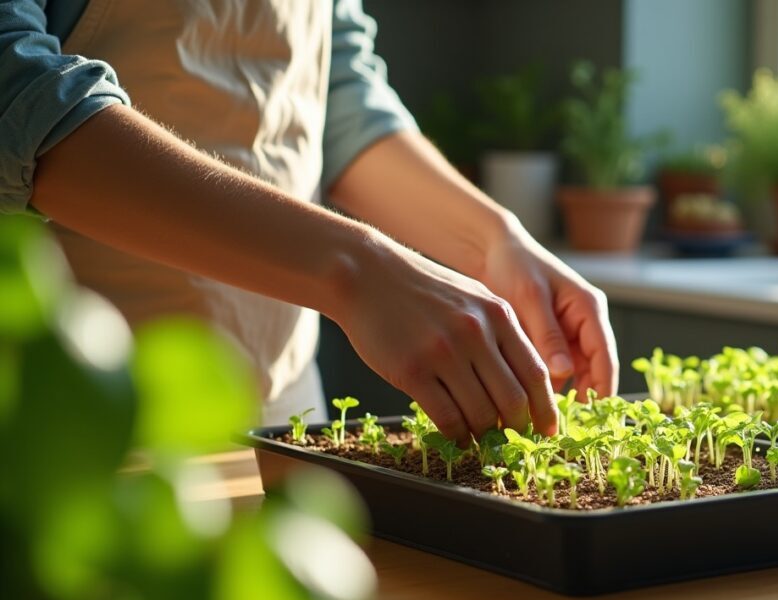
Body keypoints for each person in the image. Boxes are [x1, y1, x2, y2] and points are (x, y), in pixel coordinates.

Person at [1, 0, 618, 438]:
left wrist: (489, 242)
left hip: (281, 410)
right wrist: (355, 268)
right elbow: (18, 96)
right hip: (67, 428)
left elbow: (336, 90)